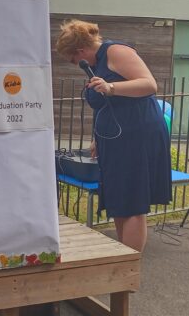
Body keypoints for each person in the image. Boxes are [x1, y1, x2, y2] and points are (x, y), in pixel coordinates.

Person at [56, 19, 172, 252]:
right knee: (120, 199)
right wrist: (98, 137)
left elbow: (150, 85)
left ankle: (128, 269)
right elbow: (108, 107)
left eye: (72, 59)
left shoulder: (116, 51)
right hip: (116, 137)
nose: (74, 64)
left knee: (131, 201)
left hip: (136, 134)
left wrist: (112, 88)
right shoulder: (97, 63)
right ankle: (123, 258)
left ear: (81, 51)